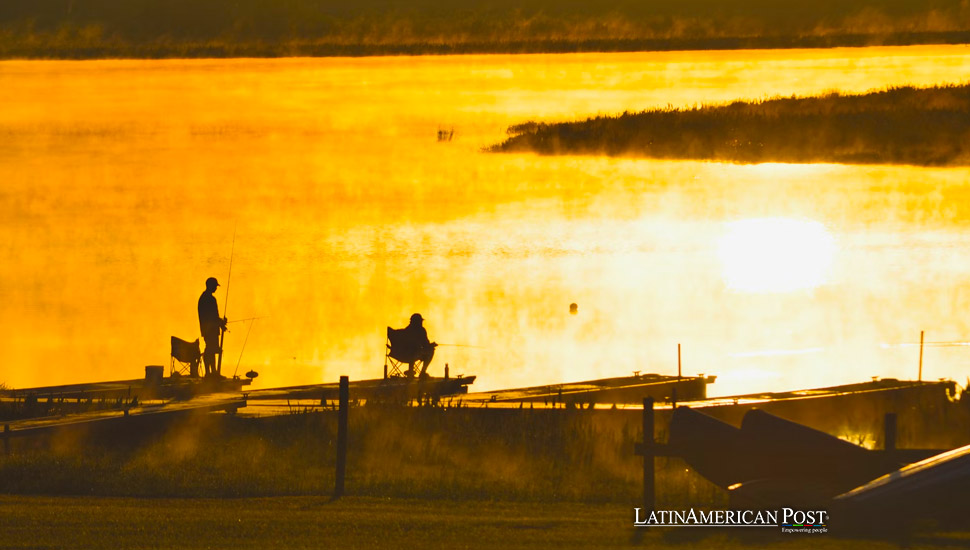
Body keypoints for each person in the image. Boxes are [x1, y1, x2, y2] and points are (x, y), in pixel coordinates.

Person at [198, 277, 227, 377]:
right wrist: (221, 322)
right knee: (211, 349)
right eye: (215, 286)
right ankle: (211, 373)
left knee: (212, 349)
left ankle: (211, 372)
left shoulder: (203, 297)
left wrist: (220, 323)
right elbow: (213, 316)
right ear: (211, 286)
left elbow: (211, 316)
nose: (216, 288)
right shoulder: (210, 299)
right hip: (211, 329)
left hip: (207, 329)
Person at [402, 313, 436, 377]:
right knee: (431, 350)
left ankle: (411, 371)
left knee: (411, 351)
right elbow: (425, 345)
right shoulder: (421, 330)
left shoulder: (406, 330)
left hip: (402, 355)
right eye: (420, 321)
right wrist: (432, 345)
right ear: (417, 322)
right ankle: (423, 372)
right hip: (415, 354)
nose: (421, 322)